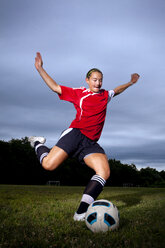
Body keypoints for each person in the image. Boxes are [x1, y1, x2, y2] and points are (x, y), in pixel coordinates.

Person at [29, 52, 140, 221]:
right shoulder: (79, 93)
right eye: (94, 79)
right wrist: (40, 69)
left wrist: (130, 83)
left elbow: (116, 91)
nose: (98, 82)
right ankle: (37, 142)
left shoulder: (105, 95)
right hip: (75, 134)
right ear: (87, 80)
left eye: (100, 79)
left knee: (104, 172)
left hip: (90, 143)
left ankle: (80, 212)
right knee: (48, 165)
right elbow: (55, 87)